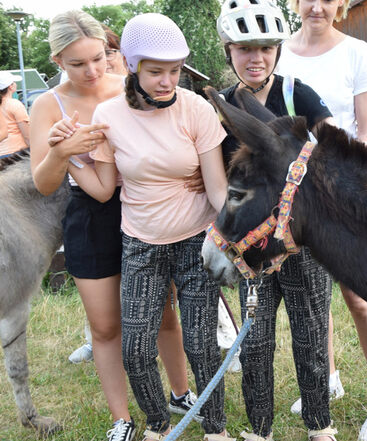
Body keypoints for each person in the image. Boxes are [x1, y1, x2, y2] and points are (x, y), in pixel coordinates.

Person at [53, 13, 229, 441]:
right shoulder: (108, 114)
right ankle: (156, 425)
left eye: (174, 71)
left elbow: (218, 189)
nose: (167, 81)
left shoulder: (197, 109)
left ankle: (216, 428)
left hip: (195, 241)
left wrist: (232, 240)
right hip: (140, 244)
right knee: (134, 349)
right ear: (131, 65)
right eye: (155, 72)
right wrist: (68, 152)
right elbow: (101, 190)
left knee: (203, 346)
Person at [277, 1, 367, 440]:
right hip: (296, 199)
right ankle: (327, 376)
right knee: (313, 299)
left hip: (344, 194)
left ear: (341, 5)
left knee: (360, 298)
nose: (317, 6)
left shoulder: (357, 53)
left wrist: (340, 180)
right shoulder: (280, 52)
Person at [215, 1, 336, 440]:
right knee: (257, 340)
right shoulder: (222, 107)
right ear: (229, 51)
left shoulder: (296, 95)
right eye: (245, 48)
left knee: (310, 336)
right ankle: (260, 429)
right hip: (251, 244)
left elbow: (330, 156)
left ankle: (320, 425)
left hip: (300, 240)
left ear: (278, 51)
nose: (256, 58)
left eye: (266, 48)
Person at [65, 29, 199, 406]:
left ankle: (180, 393)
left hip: (153, 215)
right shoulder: (70, 107)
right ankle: (125, 416)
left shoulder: (161, 89)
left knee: (165, 315)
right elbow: (93, 185)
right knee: (113, 328)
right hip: (107, 218)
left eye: (99, 56)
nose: (93, 68)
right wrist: (64, 154)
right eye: (79, 62)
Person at [0, 71, 30, 158]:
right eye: (14, 82)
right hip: (16, 154)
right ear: (10, 86)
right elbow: (27, 135)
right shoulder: (15, 104)